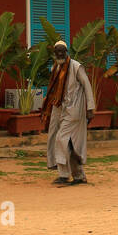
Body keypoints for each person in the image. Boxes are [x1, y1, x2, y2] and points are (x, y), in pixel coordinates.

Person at [40, 39, 95, 186]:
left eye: (62, 51)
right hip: (58, 107)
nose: (59, 54)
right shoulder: (55, 68)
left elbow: (87, 87)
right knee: (66, 142)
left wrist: (90, 108)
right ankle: (73, 175)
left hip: (74, 109)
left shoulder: (76, 67)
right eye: (57, 51)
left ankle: (67, 175)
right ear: (54, 53)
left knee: (62, 139)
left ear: (66, 52)